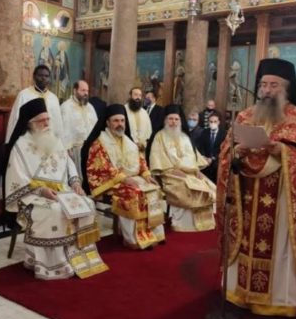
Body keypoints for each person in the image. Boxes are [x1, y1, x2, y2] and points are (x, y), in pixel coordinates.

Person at [217, 58, 296, 317]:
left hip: (281, 200)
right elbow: (226, 153)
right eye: (263, 85)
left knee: (276, 247)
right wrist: (238, 151)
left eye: (273, 85)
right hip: (245, 197)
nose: (266, 90)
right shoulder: (245, 116)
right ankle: (239, 293)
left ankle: (277, 301)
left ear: (286, 89)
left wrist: (283, 151)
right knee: (244, 241)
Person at [4, 98, 107, 280]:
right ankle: (54, 264)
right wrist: (41, 191)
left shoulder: (55, 140)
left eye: (47, 119)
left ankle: (78, 257)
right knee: (55, 211)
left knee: (87, 204)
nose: (46, 124)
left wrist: (75, 183)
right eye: (41, 121)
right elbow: (17, 178)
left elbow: (69, 165)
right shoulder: (20, 146)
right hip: (33, 195)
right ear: (30, 123)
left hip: (62, 190)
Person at [84, 104, 165, 250]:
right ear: (107, 122)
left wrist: (146, 174)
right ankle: (132, 238)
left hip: (131, 179)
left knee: (153, 189)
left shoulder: (129, 142)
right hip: (110, 183)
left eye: (122, 120)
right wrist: (123, 178)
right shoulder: (99, 143)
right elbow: (103, 168)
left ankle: (154, 233)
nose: (119, 124)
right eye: (115, 121)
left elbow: (141, 161)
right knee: (133, 193)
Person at [149, 105, 216, 232]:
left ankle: (204, 223)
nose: (173, 122)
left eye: (176, 119)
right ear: (165, 120)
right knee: (185, 187)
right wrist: (172, 170)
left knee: (207, 186)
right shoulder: (159, 136)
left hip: (190, 173)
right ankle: (183, 224)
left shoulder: (185, 137)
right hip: (170, 173)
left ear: (180, 121)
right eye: (170, 119)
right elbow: (158, 159)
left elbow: (193, 157)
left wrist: (197, 171)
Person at [5, 65, 63, 143]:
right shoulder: (24, 95)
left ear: (49, 79)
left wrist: (60, 142)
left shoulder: (54, 98)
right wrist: (10, 142)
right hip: (29, 140)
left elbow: (58, 122)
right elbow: (15, 119)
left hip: (49, 141)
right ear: (34, 77)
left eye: (46, 76)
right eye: (40, 75)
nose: (43, 78)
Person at [60, 80, 98, 179]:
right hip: (76, 149)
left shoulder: (90, 107)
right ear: (75, 90)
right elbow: (63, 129)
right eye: (83, 90)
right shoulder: (66, 107)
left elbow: (96, 127)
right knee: (77, 176)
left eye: (87, 91)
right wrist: (67, 149)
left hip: (91, 148)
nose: (86, 93)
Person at [197, 112, 226, 183]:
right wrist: (204, 157)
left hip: (217, 163)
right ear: (208, 122)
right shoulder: (204, 132)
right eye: (211, 121)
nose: (213, 123)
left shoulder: (224, 134)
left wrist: (213, 158)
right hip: (205, 162)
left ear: (219, 122)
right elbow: (201, 146)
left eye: (215, 121)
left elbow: (223, 149)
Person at [125, 87, 152, 152]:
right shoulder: (124, 109)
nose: (138, 97)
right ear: (130, 96)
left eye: (140, 95)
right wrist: (134, 143)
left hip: (142, 147)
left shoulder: (144, 112)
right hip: (127, 146)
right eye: (135, 95)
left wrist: (143, 143)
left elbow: (148, 130)